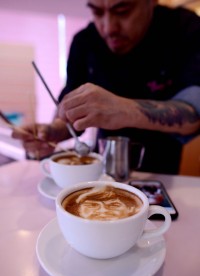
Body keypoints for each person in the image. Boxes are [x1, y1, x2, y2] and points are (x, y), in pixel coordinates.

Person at [13, 0, 200, 174]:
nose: (109, 28)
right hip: (102, 172)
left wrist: (124, 109)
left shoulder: (184, 29)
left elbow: (194, 113)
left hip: (161, 175)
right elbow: (70, 112)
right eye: (97, 12)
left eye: (122, 11)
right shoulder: (85, 41)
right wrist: (53, 131)